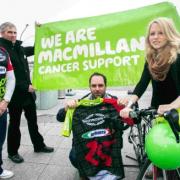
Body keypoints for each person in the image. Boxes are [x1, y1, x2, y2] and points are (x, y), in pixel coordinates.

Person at [118, 17, 180, 178]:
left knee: (175, 149)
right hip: (158, 111)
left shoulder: (176, 57)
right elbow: (142, 84)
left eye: (161, 33)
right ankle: (158, 169)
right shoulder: (151, 58)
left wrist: (171, 106)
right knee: (159, 144)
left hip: (177, 110)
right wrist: (129, 104)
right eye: (152, 33)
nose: (155, 37)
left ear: (169, 34)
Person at [57, 72, 133, 180]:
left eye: (100, 85)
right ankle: (85, 171)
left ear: (105, 86)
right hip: (87, 145)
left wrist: (127, 106)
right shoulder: (81, 103)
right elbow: (59, 117)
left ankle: (102, 169)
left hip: (108, 144)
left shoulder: (115, 102)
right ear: (89, 87)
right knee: (74, 156)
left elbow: (133, 120)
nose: (97, 89)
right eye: (94, 86)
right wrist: (66, 108)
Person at [0, 22, 54, 164]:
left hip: (28, 96)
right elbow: (7, 76)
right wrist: (26, 87)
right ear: (2, 33)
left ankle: (38, 145)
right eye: (9, 32)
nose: (13, 35)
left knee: (33, 122)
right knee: (15, 125)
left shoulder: (20, 48)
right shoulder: (2, 51)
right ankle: (12, 152)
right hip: (15, 95)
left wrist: (39, 32)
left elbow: (38, 49)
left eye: (14, 32)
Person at [0, 47, 15, 179]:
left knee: (0, 140)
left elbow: (11, 78)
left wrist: (5, 101)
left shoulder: (3, 52)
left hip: (1, 107)